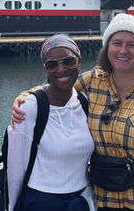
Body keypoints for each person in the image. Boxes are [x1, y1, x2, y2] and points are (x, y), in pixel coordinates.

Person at [12, 14, 134, 211]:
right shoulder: (95, 81)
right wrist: (25, 97)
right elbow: (59, 82)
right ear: (107, 47)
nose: (123, 51)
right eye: (117, 43)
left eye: (132, 44)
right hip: (107, 200)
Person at [6, 34, 96, 211]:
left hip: (80, 200)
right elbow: (16, 168)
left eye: (68, 61)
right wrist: (15, 205)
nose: (61, 69)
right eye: (52, 64)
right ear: (45, 68)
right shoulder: (30, 107)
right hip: (41, 202)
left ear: (79, 61)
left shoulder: (84, 103)